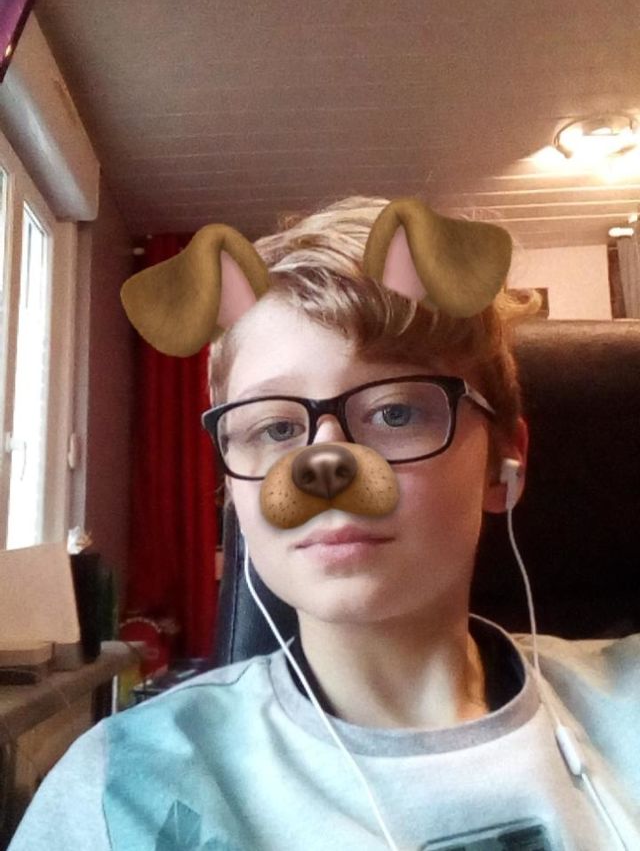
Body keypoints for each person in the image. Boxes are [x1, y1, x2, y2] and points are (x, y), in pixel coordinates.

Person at [9, 197, 640, 851]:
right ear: (232, 492)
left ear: (504, 464)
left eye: (395, 412)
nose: (324, 465)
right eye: (275, 428)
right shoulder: (121, 791)